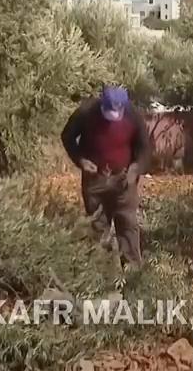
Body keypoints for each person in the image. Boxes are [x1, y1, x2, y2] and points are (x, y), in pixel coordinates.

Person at [60, 85, 153, 269]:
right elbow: (67, 136)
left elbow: (145, 147)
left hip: (123, 179)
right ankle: (102, 274)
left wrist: (135, 169)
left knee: (127, 224)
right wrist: (81, 160)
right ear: (101, 103)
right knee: (97, 226)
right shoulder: (86, 112)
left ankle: (133, 273)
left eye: (117, 110)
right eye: (109, 110)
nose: (113, 114)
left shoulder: (133, 116)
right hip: (96, 179)